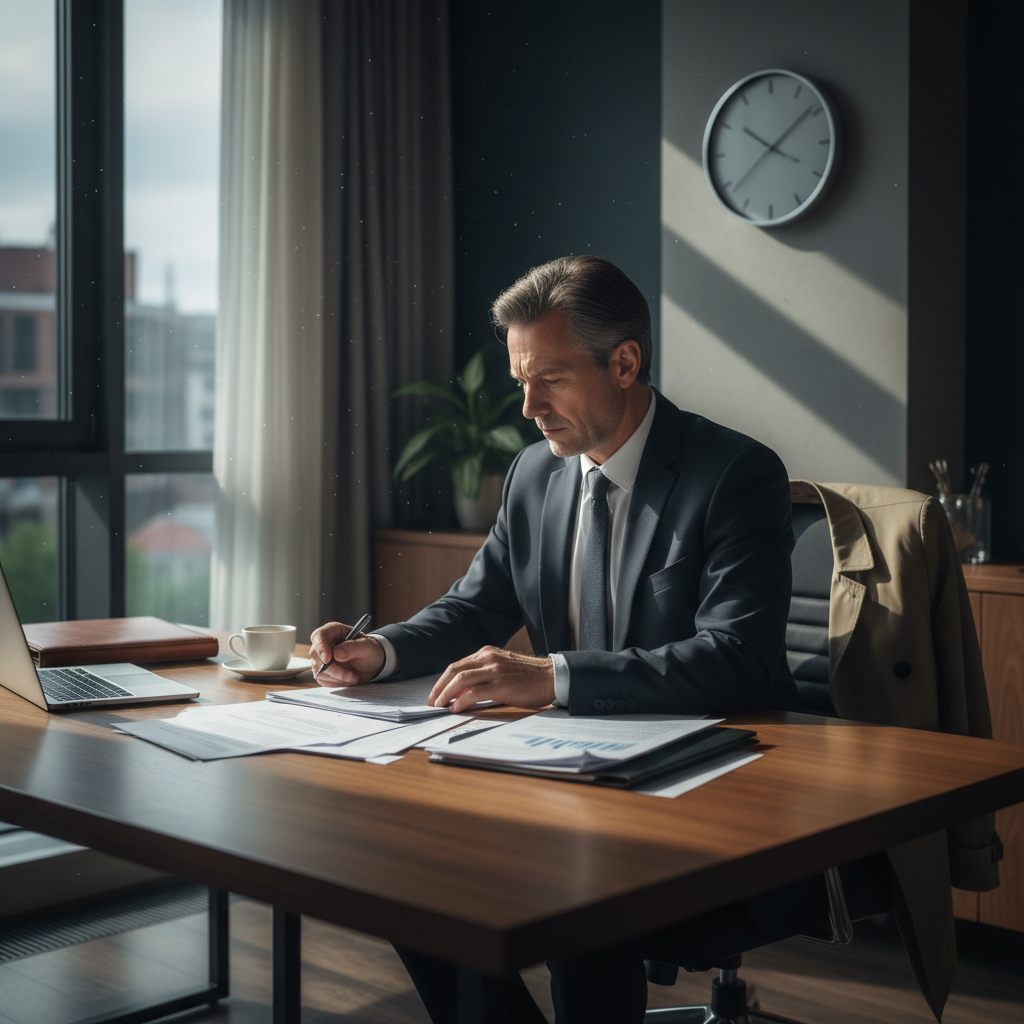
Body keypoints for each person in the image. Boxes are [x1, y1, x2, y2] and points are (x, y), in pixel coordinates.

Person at [310, 255, 801, 1024]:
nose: (529, 407)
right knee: (407, 874)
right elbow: (474, 608)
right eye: (520, 382)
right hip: (566, 769)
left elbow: (738, 659)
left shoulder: (733, 473)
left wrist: (552, 675)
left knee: (578, 886)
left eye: (551, 379)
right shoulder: (535, 475)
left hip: (697, 784)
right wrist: (384, 652)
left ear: (625, 363)